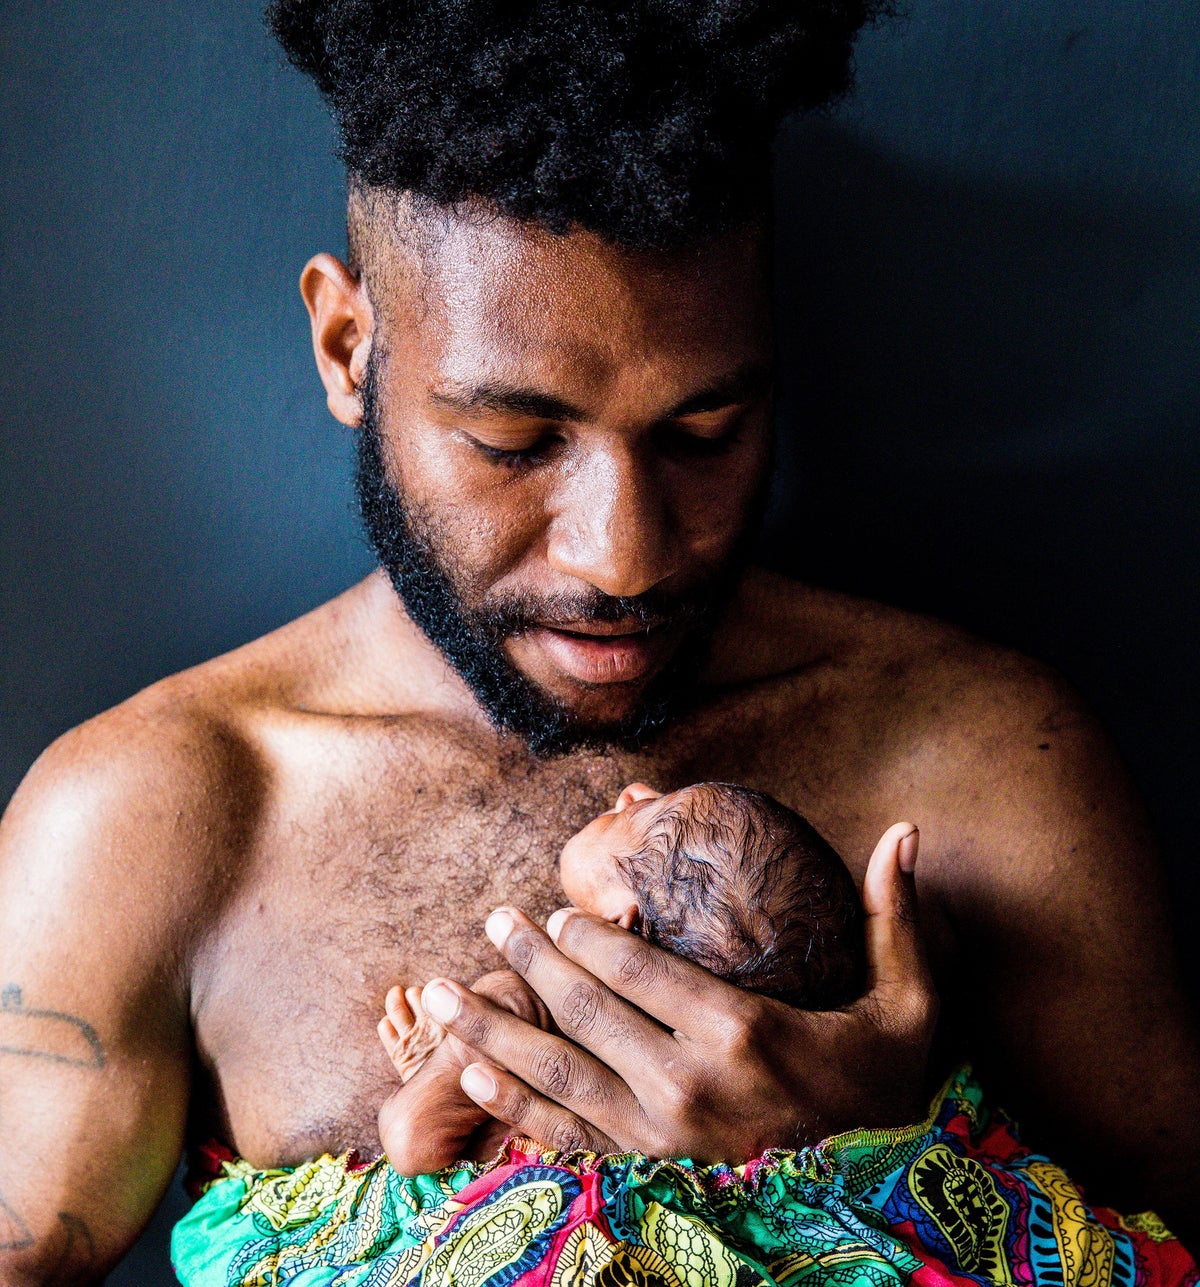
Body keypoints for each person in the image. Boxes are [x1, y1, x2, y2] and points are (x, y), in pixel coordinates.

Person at [0, 1, 1197, 1279]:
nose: (623, 557)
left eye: (706, 430)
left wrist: (873, 1168)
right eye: (515, 443)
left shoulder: (979, 758)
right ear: (350, 348)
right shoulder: (152, 817)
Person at [169, 787, 1197, 1286]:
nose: (630, 790)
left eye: (646, 816)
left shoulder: (522, 992)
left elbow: (412, 1146)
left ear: (617, 936)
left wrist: (433, 1071)